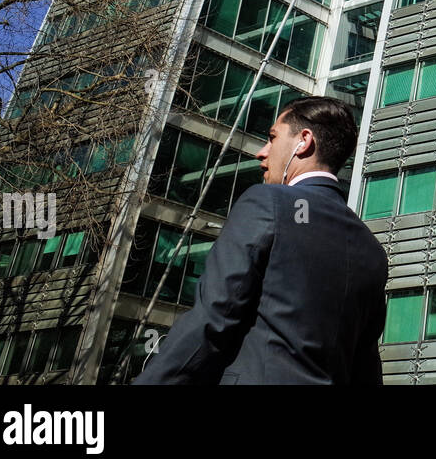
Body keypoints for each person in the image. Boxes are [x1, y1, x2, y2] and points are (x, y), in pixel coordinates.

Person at [133, 96, 387, 384]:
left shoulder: (268, 203)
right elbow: (366, 367)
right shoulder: (372, 249)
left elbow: (214, 317)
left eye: (272, 138)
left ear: (303, 141)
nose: (262, 152)